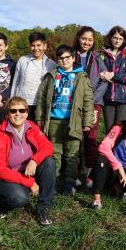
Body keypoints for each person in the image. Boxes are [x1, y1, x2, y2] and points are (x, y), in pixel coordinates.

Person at [35, 45, 94, 195]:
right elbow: (42, 98)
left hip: (73, 122)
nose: (64, 60)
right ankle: (53, 181)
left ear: (73, 58)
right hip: (53, 120)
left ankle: (70, 181)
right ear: (57, 60)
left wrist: (87, 122)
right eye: (61, 58)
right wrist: (40, 117)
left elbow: (88, 100)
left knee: (71, 153)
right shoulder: (51, 75)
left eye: (67, 57)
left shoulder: (81, 77)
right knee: (55, 153)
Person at [0, 97, 56, 225]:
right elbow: (0, 170)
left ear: (27, 113)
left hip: (27, 171)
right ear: (7, 114)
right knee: (20, 197)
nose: (18, 113)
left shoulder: (32, 127)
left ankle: (44, 208)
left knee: (49, 162)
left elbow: (48, 147)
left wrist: (34, 160)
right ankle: (1, 204)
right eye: (13, 111)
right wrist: (30, 183)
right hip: (4, 178)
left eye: (22, 110)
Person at [72, 26, 108, 184]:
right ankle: (75, 171)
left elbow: (104, 80)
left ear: (93, 42)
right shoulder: (72, 55)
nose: (86, 42)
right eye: (84, 38)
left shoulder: (97, 58)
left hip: (93, 104)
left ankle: (90, 173)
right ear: (79, 38)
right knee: (74, 136)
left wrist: (93, 99)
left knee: (90, 136)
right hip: (73, 104)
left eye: (90, 39)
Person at [10, 32, 56, 121]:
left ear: (45, 46)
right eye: (33, 45)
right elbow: (15, 82)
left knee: (36, 133)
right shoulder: (22, 61)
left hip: (40, 106)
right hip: (22, 104)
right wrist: (12, 101)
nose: (36, 48)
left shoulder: (52, 65)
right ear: (29, 46)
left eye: (39, 45)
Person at [98, 26, 126, 131]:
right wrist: (101, 75)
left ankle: (119, 148)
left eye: (120, 38)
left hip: (123, 99)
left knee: (120, 129)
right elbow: (97, 73)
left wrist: (113, 75)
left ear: (124, 40)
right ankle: (108, 148)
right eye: (115, 38)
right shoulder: (101, 55)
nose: (117, 41)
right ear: (110, 38)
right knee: (109, 129)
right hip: (107, 97)